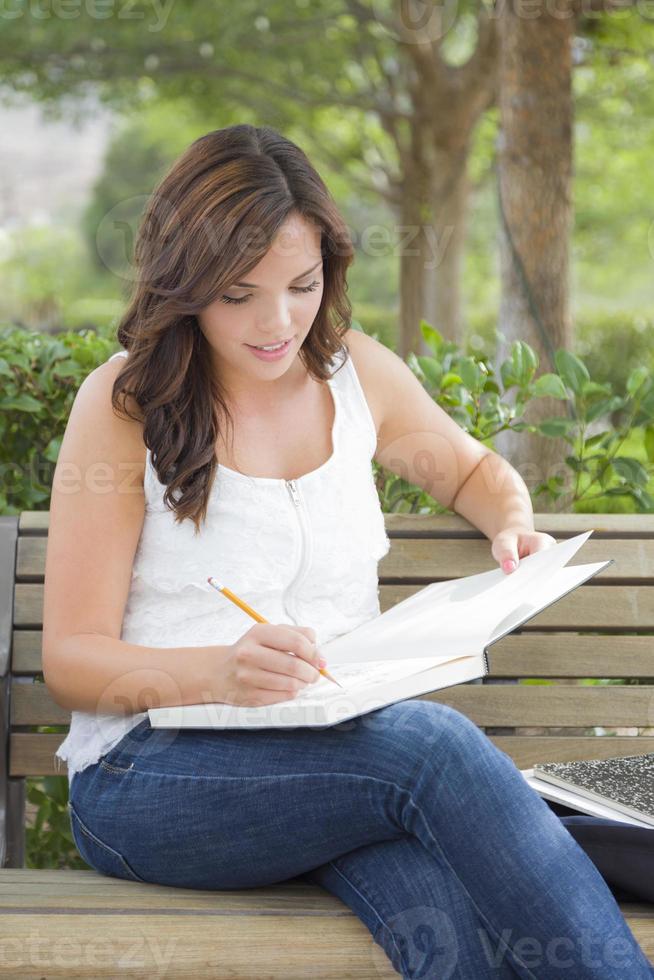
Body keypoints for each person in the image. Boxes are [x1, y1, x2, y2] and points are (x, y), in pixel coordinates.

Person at [43, 124, 653, 979]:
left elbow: (473, 469)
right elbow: (70, 661)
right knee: (431, 749)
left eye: (302, 284)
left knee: (450, 926)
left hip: (334, 767)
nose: (277, 321)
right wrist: (218, 672)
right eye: (238, 294)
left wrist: (509, 520)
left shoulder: (352, 374)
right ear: (184, 287)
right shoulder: (124, 402)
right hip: (152, 778)